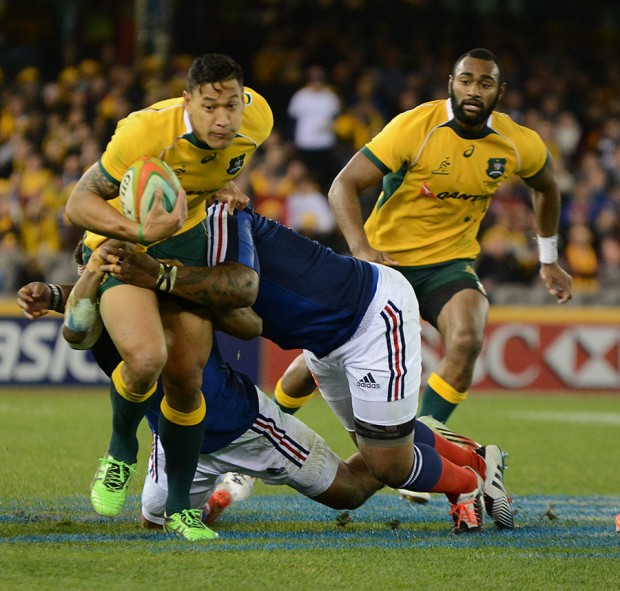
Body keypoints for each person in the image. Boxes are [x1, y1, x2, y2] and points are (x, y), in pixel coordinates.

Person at [97, 200, 515, 532]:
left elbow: (244, 289)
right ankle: (475, 457)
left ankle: (469, 484)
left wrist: (164, 278)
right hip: (325, 340)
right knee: (378, 449)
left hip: (369, 315)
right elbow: (248, 325)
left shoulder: (222, 216)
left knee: (386, 464)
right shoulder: (177, 249)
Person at [279, 48, 573, 424]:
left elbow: (547, 187)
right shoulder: (415, 126)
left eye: (485, 84)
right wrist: (361, 248)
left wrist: (548, 258)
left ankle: (423, 443)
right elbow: (343, 185)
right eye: (465, 80)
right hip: (385, 262)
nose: (473, 91)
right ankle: (266, 425)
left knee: (467, 337)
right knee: (322, 357)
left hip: (447, 266)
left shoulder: (517, 142)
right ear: (451, 84)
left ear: (499, 94)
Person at [63, 53, 273, 540]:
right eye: (209, 107)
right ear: (187, 103)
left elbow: (214, 160)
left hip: (188, 242)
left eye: (230, 105)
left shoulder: (256, 117)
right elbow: (79, 202)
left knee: (186, 378)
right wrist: (140, 227)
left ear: (243, 100)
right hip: (126, 243)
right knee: (146, 358)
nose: (222, 119)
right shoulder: (143, 133)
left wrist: (221, 181)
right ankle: (120, 450)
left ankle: (180, 509)